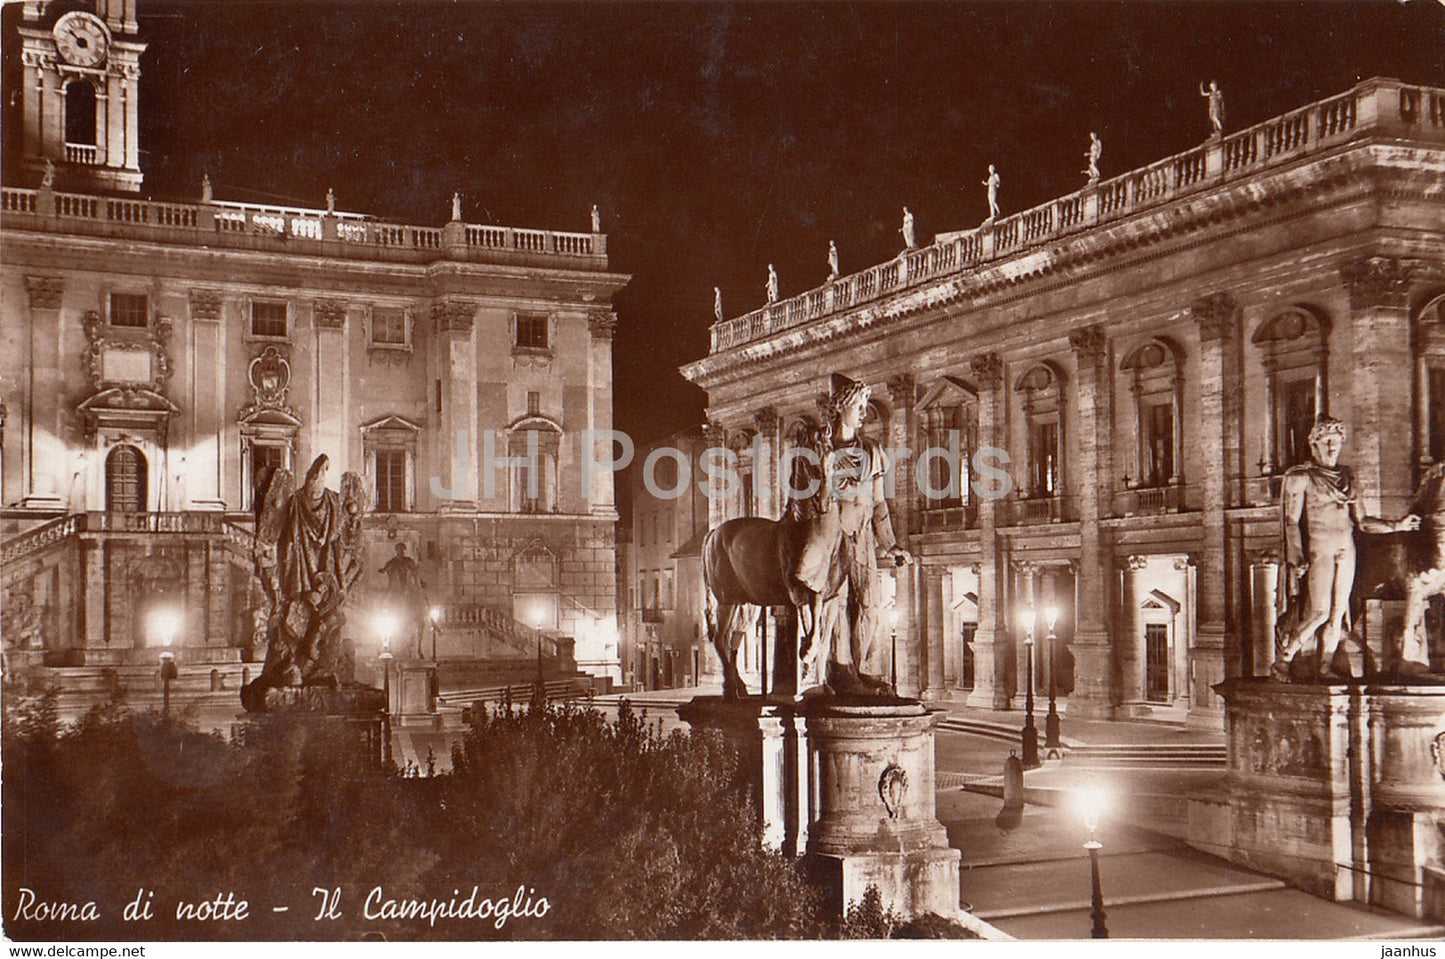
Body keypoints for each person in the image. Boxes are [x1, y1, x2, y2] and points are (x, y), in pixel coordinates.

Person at [1275, 417, 1419, 680]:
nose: (1333, 447)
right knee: (1318, 611)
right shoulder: (1301, 477)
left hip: (1346, 546)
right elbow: (1290, 521)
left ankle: (1325, 666)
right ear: (1314, 443)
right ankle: (1283, 660)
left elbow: (1363, 522)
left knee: (1338, 612)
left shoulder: (1347, 476)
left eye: (1337, 442)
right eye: (1327, 441)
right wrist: (1295, 556)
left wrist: (1398, 525)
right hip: (1320, 548)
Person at [796, 374, 912, 693]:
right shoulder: (817, 449)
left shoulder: (872, 451)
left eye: (864, 406)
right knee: (837, 602)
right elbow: (806, 502)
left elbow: (878, 504)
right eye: (858, 406)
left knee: (871, 605)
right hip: (832, 537)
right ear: (840, 407)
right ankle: (842, 670)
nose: (864, 412)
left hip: (863, 539)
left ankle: (858, 670)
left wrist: (891, 545)